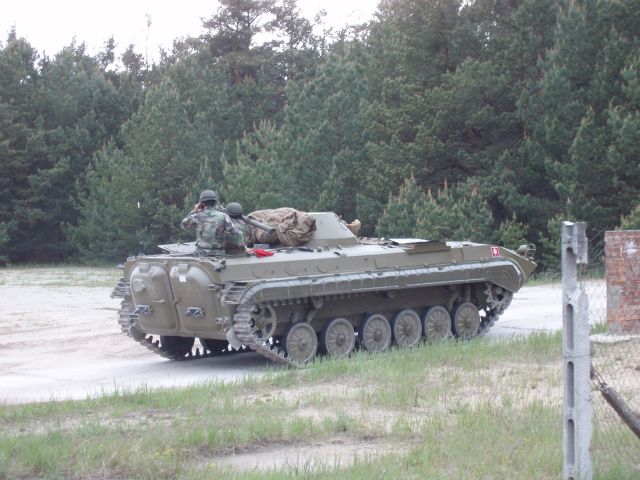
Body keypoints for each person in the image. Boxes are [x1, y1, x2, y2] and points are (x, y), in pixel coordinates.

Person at [181, 190, 245, 256]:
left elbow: (183, 226)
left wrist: (194, 211)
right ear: (215, 202)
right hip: (219, 253)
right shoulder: (223, 216)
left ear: (202, 203)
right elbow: (238, 234)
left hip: (201, 253)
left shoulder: (197, 216)